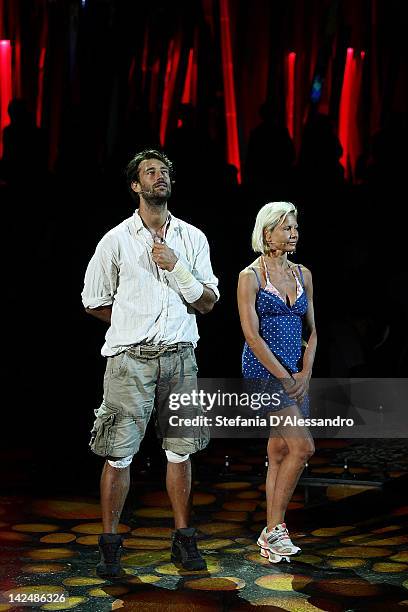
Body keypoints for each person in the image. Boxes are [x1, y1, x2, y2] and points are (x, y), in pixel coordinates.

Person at [81, 149, 219, 578]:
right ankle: (109, 547)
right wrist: (131, 324)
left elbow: (207, 302)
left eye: (165, 172)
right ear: (135, 186)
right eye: (151, 172)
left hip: (180, 360)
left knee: (180, 452)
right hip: (130, 362)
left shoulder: (192, 239)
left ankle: (184, 540)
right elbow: (93, 300)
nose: (160, 178)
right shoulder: (116, 240)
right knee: (118, 454)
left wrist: (177, 267)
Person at [237, 201, 316, 562]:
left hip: (296, 376)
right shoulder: (250, 276)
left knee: (279, 451)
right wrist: (285, 378)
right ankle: (274, 530)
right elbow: (252, 336)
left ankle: (271, 532)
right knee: (303, 448)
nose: (293, 233)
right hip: (264, 373)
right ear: (267, 233)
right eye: (286, 228)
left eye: (295, 227)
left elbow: (312, 332)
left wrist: (305, 372)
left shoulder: (303, 274)